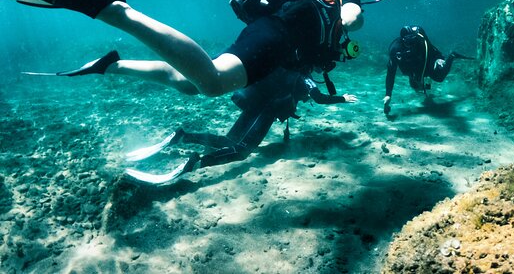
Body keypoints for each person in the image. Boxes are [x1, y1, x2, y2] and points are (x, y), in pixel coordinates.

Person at [0, 0, 366, 96]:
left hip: (275, 33)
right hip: (278, 35)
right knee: (213, 83)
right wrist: (352, 16)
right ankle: (112, 9)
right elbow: (353, 14)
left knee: (191, 82)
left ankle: (111, 66)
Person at [124, 67, 357, 184]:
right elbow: (319, 98)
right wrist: (342, 98)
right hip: (265, 110)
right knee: (243, 150)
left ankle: (182, 136)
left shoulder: (284, 66)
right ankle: (196, 163)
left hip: (255, 104)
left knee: (229, 142)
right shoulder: (303, 75)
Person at [383, 25, 474, 115]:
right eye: (408, 40)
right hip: (413, 70)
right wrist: (388, 95)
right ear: (402, 40)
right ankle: (425, 84)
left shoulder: (420, 41)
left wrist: (438, 59)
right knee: (416, 86)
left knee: (439, 78)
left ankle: (452, 56)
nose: (411, 43)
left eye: (412, 39)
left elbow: (432, 50)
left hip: (426, 64)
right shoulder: (395, 49)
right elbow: (391, 72)